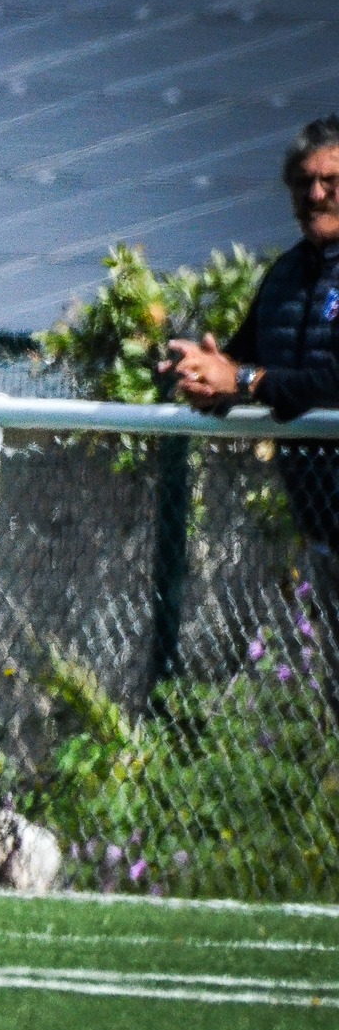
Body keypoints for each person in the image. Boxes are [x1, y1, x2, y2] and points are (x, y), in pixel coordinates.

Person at [166, 115, 339, 678]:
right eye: (302, 182)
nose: (315, 194)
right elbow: (242, 364)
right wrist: (206, 379)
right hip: (324, 534)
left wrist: (241, 380)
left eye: (331, 181)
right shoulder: (285, 275)